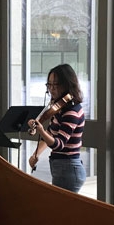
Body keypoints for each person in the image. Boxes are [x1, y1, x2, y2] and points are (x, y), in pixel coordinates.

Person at [27, 63, 86, 193]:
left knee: (62, 211)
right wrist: (36, 153)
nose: (52, 89)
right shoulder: (60, 108)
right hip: (61, 167)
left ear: (67, 84)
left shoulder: (72, 111)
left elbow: (59, 144)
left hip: (69, 169)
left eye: (56, 85)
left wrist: (40, 130)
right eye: (49, 85)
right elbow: (50, 132)